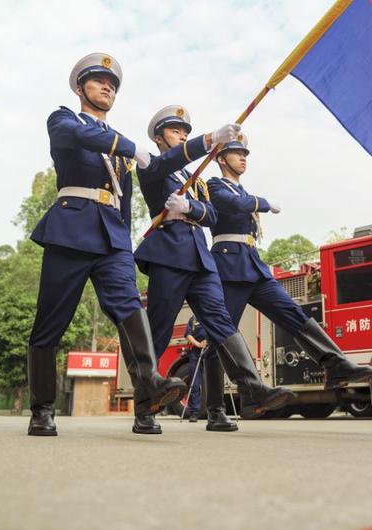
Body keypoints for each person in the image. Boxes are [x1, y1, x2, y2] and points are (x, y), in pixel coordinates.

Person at [26, 53, 186, 436]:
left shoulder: (118, 148)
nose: (107, 87)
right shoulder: (64, 120)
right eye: (99, 81)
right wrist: (128, 146)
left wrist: (208, 142)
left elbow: (128, 195)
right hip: (71, 228)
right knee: (51, 320)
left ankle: (151, 380)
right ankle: (42, 408)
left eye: (112, 84)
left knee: (129, 307)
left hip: (112, 236)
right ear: (80, 88)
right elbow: (80, 137)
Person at [134, 105, 295, 430]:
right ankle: (144, 408)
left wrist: (190, 206)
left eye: (186, 133)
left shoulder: (193, 180)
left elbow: (212, 215)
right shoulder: (153, 165)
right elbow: (170, 161)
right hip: (169, 255)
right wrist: (207, 142)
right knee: (160, 329)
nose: (183, 136)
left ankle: (253, 387)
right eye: (176, 131)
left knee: (221, 322)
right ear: (158, 138)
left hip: (200, 258)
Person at [207, 135, 372, 399]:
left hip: (253, 265)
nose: (243, 158)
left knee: (293, 313)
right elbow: (234, 205)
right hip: (229, 268)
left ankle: (335, 364)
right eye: (236, 153)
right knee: (221, 336)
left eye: (245, 154)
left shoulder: (243, 192)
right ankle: (219, 406)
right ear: (220, 158)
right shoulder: (214, 185)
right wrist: (263, 203)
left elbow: (243, 206)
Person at [183, 315, 208, 422]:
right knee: (194, 383)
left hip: (211, 351)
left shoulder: (213, 314)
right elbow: (188, 334)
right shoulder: (194, 319)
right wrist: (198, 344)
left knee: (214, 383)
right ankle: (194, 412)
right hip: (196, 352)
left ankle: (215, 411)